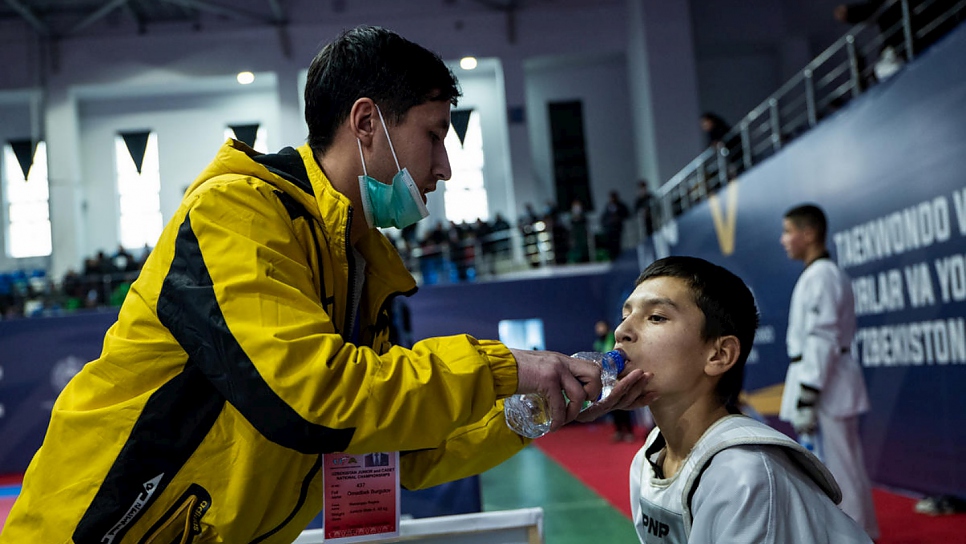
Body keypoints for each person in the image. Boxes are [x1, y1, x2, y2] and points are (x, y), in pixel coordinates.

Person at [1, 26, 653, 544]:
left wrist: (535, 407)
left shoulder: (356, 263)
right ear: (366, 123)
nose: (447, 167)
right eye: (433, 136)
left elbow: (395, 450)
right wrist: (503, 365)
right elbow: (310, 396)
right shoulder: (238, 211)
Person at [622, 256, 873, 543]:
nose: (622, 332)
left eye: (656, 317)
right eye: (625, 315)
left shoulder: (745, 475)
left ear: (719, 355)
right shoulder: (647, 460)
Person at [779, 204, 880, 540]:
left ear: (808, 234)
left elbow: (823, 338)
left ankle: (855, 537)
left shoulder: (822, 276)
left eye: (788, 231)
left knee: (838, 471)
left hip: (825, 387)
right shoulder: (817, 274)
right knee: (838, 468)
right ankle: (855, 535)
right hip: (822, 382)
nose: (784, 240)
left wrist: (809, 394)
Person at [594, 319, 635, 442]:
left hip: (619, 374)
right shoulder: (598, 343)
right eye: (597, 328)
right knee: (612, 405)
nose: (599, 330)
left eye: (601, 327)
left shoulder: (614, 338)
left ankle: (629, 432)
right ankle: (618, 431)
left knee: (624, 404)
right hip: (607, 378)